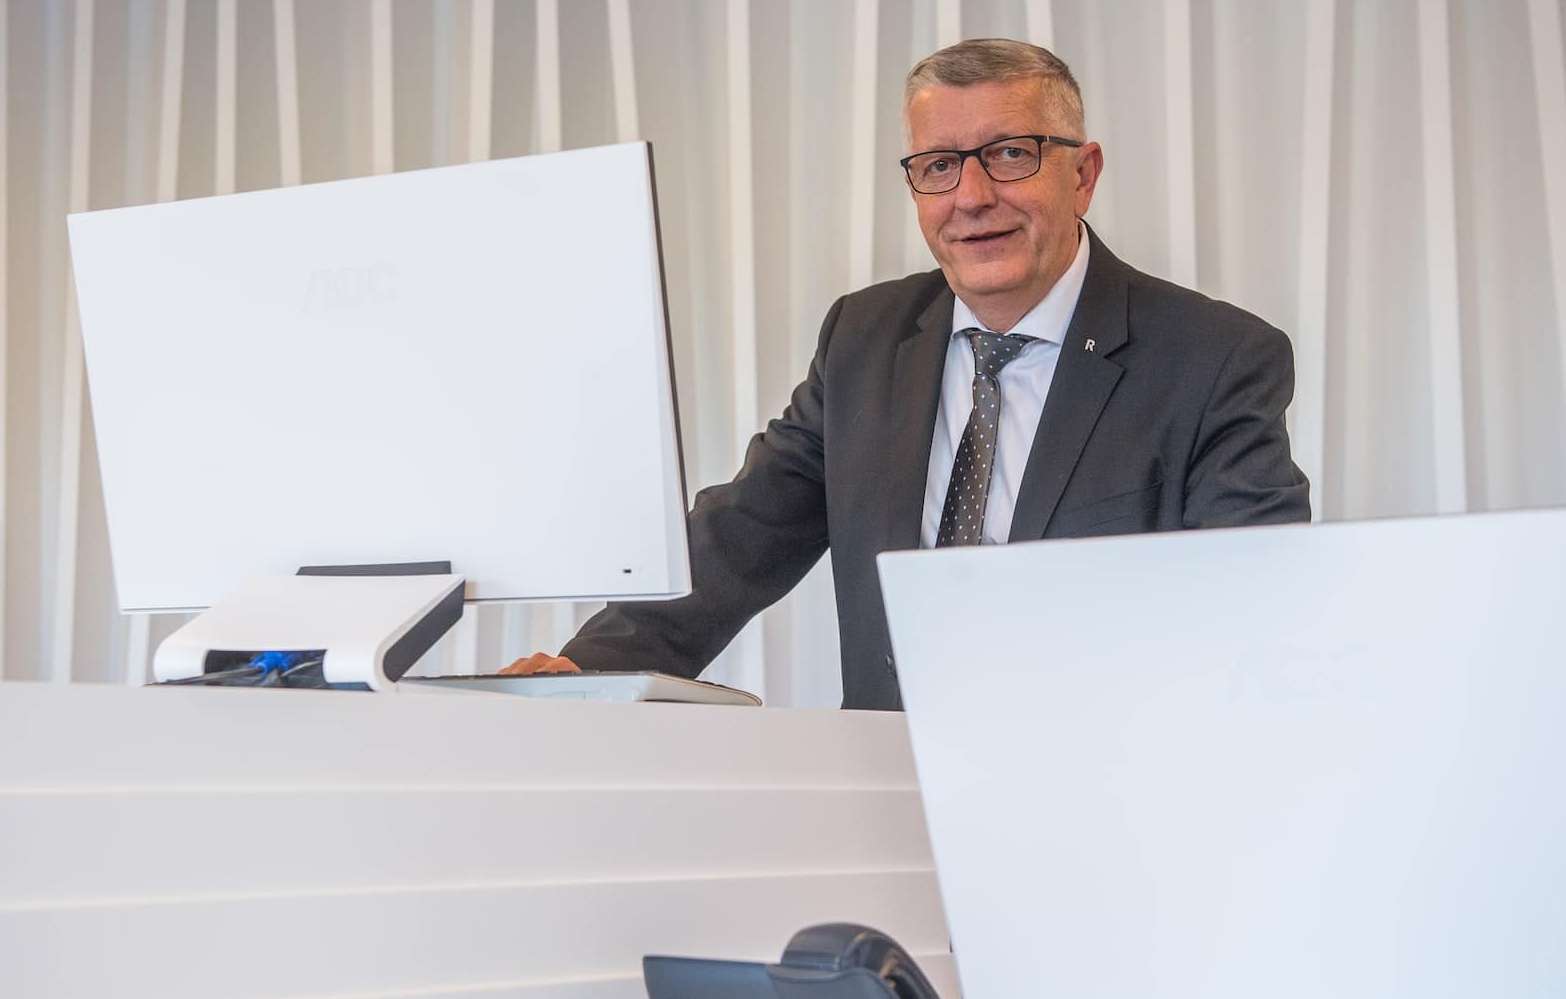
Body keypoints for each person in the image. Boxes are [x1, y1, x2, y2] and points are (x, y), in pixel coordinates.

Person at [504, 38, 1310, 710]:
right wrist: (587, 671)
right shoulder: (865, 337)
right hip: (884, 791)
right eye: (938, 166)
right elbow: (741, 536)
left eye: (1010, 154)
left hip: (1105, 804)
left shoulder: (1214, 359)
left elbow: (1249, 612)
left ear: (1082, 172)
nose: (972, 196)